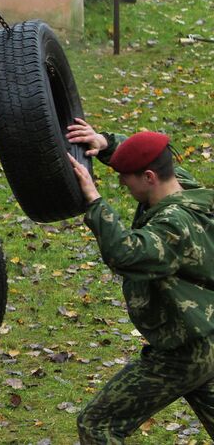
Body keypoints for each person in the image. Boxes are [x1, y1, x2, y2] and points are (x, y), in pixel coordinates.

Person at [66, 117, 214, 443]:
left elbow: (127, 254)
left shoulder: (174, 225)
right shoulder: (184, 187)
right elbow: (147, 150)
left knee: (97, 424)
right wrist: (107, 143)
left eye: (126, 180)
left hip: (183, 353)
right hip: (207, 337)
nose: (123, 185)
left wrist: (94, 202)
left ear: (149, 177)